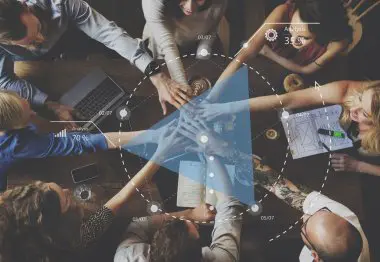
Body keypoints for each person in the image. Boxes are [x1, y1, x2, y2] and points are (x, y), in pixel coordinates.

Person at [178, 121, 369, 261]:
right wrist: (225, 150)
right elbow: (284, 188)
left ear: (314, 257)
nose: (306, 214)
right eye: (322, 211)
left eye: (305, 225)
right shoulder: (345, 219)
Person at [0, 122, 188, 262]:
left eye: (58, 187)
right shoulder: (78, 239)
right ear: (63, 223)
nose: (67, 190)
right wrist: (160, 155)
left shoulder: (12, 204)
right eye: (67, 200)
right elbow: (118, 202)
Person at [0, 0, 189, 122]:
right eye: (31, 42)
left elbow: (109, 34)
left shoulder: (61, 4)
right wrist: (50, 103)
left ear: (25, 5)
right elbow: (6, 80)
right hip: (42, 72)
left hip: (75, 38)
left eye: (38, 29)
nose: (41, 40)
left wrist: (156, 76)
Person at [198, 80, 380, 176]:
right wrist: (223, 108)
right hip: (330, 136)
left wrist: (358, 166)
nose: (353, 108)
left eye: (364, 113)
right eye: (360, 97)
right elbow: (286, 100)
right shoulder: (352, 93)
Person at [0, 90, 165, 190]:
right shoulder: (18, 145)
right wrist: (151, 136)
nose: (34, 113)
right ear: (10, 129)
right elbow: (83, 143)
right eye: (29, 116)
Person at [114, 155, 244, 262]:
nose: (194, 224)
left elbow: (138, 225)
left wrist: (190, 214)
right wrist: (212, 156)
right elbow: (230, 207)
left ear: (153, 247)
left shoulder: (127, 257)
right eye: (195, 228)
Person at [218, 0, 352, 80]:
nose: (294, 40)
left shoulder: (338, 43)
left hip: (301, 77)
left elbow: (306, 70)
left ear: (323, 35)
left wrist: (270, 54)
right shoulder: (283, 11)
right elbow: (243, 54)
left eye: (304, 38)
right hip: (276, 63)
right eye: (292, 28)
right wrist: (212, 96)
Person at [142, 0, 228, 87]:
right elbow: (168, 46)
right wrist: (182, 85)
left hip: (198, 38)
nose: (189, 7)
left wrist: (202, 53)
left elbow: (213, 25)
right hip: (162, 45)